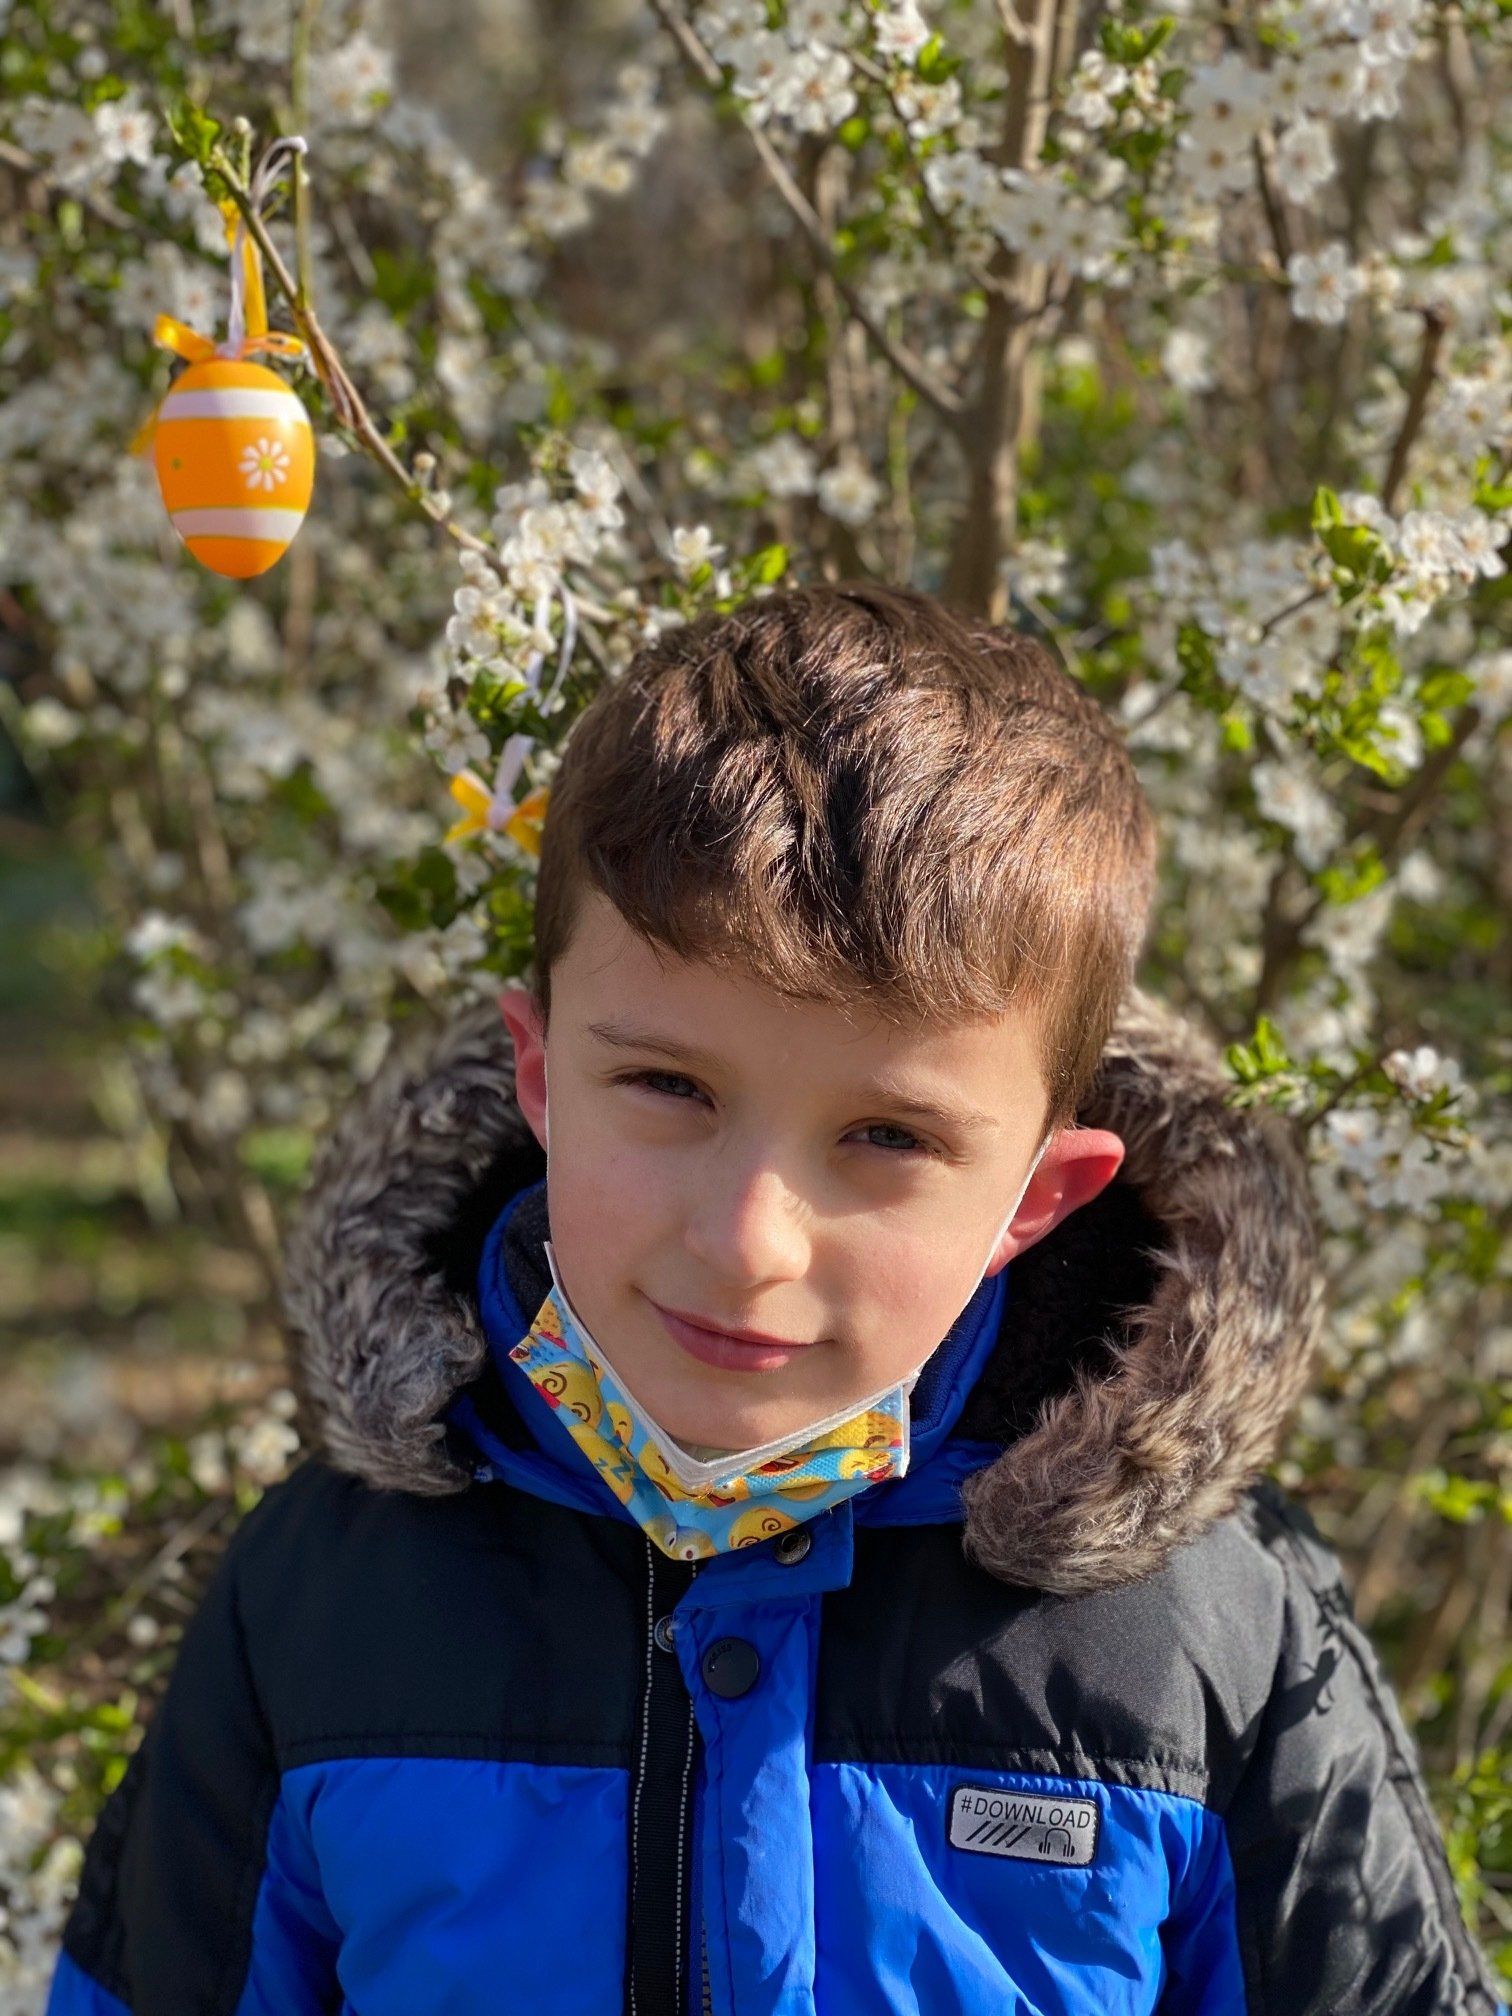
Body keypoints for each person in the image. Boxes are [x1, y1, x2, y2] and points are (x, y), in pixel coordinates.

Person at [46, 581, 1505, 2016]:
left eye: (888, 1137)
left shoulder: (1209, 1630)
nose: (750, 1244)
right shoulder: (322, 1594)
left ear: (1036, 1198)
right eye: (668, 1086)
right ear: (543, 1079)